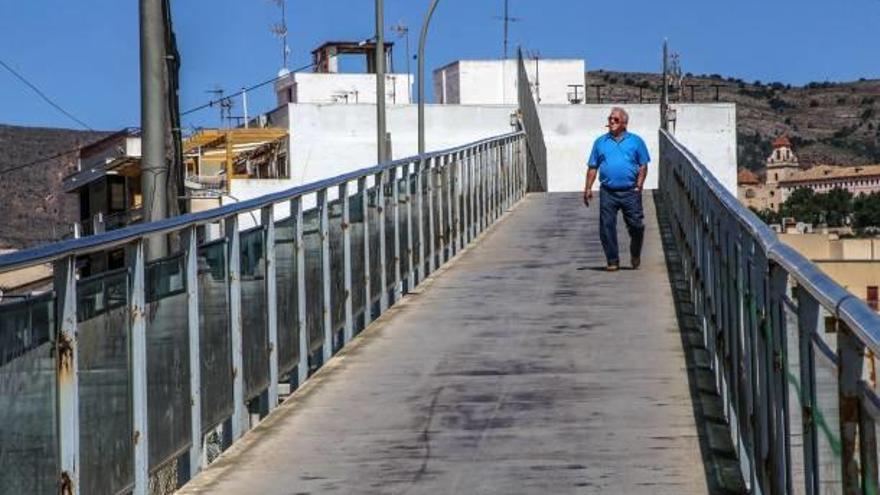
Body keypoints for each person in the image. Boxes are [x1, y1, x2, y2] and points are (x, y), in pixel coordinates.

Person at [583, 107, 649, 272]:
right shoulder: (600, 142)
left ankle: (635, 253)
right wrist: (588, 188)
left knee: (636, 226)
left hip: (630, 191)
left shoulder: (636, 141)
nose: (611, 122)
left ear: (624, 123)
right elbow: (593, 166)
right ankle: (612, 260)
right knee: (606, 227)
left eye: (616, 119)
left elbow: (643, 165)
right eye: (610, 119)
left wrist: (639, 184)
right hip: (608, 191)